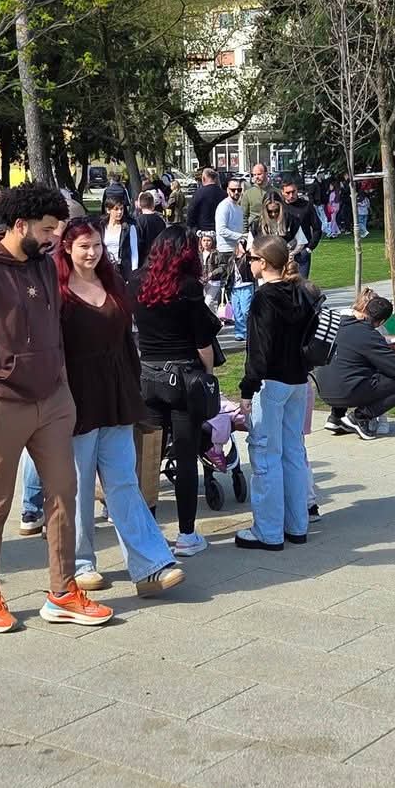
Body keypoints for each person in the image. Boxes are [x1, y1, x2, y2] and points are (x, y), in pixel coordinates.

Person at [0, 183, 112, 632]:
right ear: (20, 225)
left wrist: (63, 386)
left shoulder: (42, 264)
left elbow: (54, 325)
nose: (55, 237)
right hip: (1, 403)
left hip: (52, 400)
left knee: (64, 493)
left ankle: (62, 592)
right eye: (47, 229)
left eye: (56, 229)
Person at [15, 220, 183, 596]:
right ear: (67, 249)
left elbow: (126, 341)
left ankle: (151, 564)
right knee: (75, 485)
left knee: (124, 481)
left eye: (96, 246)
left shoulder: (113, 282)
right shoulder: (55, 291)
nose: (91, 253)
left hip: (116, 395)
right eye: (83, 247)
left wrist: (134, 390)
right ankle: (79, 564)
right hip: (75, 400)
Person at [134, 226, 224, 549]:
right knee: (186, 456)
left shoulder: (136, 281)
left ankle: (148, 532)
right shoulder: (187, 288)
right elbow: (203, 344)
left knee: (149, 458)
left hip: (148, 375)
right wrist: (209, 374)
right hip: (183, 376)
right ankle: (186, 534)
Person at [236, 237, 320, 550]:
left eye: (251, 258)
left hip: (271, 382)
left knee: (265, 455)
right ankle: (297, 525)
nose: (248, 263)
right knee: (293, 453)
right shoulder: (301, 291)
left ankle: (268, 531)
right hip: (298, 380)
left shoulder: (265, 298)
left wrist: (248, 388)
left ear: (263, 262)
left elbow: (259, 350)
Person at [315, 290, 395, 439]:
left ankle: (336, 417)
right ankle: (359, 417)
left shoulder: (338, 323)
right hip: (347, 391)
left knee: (347, 367)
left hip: (323, 389)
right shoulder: (369, 334)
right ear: (381, 322)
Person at [278, 178, 323, 278]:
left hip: (302, 251)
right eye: (288, 193)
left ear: (297, 190)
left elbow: (317, 227)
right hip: (284, 252)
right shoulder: (279, 208)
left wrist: (309, 248)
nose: (291, 195)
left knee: (301, 283)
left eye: (293, 192)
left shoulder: (306, 206)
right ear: (282, 192)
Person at [185, 166, 224, 234]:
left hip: (203, 231)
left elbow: (191, 212)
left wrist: (191, 228)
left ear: (203, 178)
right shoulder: (224, 194)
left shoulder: (199, 193)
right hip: (220, 231)